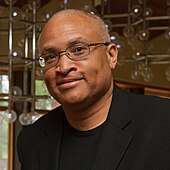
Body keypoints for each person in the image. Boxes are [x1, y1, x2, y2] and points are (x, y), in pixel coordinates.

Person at [17, 9, 170, 170]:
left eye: (78, 50)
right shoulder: (31, 140)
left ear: (111, 55)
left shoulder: (163, 122)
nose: (63, 67)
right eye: (50, 57)